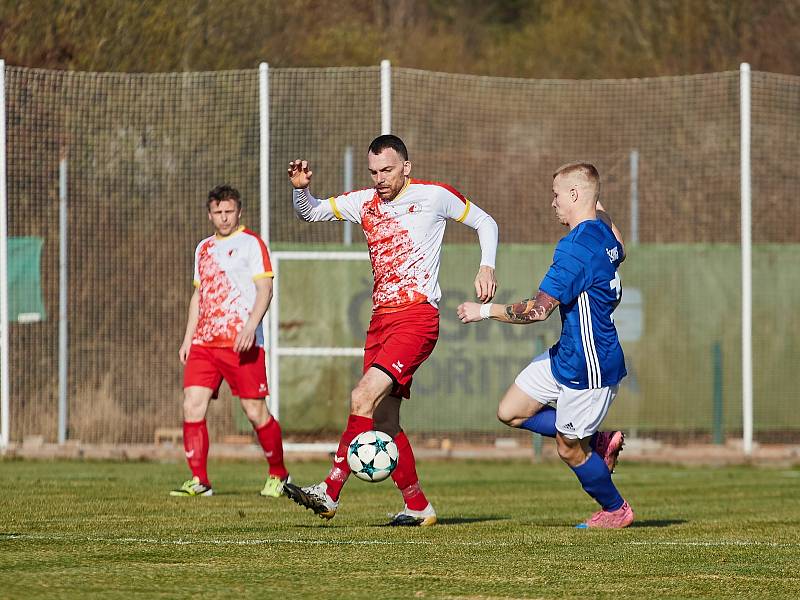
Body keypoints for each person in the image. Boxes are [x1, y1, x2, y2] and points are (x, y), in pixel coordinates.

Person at [284, 134, 499, 526]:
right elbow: (312, 213)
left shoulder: (434, 196)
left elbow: (486, 221)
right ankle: (418, 506)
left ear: (406, 167)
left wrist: (486, 266)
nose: (380, 178)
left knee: (361, 396)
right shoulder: (364, 202)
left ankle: (330, 491)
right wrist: (302, 191)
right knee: (383, 420)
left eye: (387, 169)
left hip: (417, 319)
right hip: (381, 320)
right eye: (374, 171)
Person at [457, 162, 633, 529]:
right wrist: (597, 204)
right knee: (510, 411)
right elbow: (616, 237)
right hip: (568, 353)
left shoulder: (574, 249)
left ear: (574, 195)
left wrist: (484, 310)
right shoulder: (603, 232)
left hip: (591, 366)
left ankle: (616, 509)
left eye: (556, 195)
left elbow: (537, 311)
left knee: (568, 448)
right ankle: (597, 440)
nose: (552, 203)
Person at [170, 184, 290, 498]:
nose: (224, 217)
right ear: (210, 214)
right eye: (218, 212)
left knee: (255, 412)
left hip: (242, 344)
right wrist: (187, 338)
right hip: (205, 344)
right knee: (191, 405)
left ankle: (278, 474)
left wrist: (251, 327)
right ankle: (199, 480)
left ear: (239, 211)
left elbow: (265, 290)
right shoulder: (203, 248)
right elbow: (199, 295)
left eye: (229, 211)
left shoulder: (252, 245)